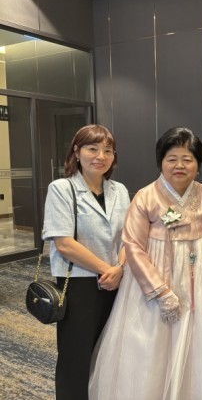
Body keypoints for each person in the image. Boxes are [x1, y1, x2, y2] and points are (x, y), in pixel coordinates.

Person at [89, 127, 202, 399]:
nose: (179, 166)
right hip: (152, 279)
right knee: (152, 344)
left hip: (197, 277)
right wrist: (160, 292)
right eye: (171, 159)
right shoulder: (146, 196)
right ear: (161, 162)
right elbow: (133, 246)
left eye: (187, 159)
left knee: (199, 342)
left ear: (198, 164)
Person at [42, 124, 130, 400]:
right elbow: (64, 243)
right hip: (79, 284)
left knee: (110, 352)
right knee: (76, 356)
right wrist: (108, 270)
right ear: (77, 152)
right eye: (93, 149)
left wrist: (120, 269)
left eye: (108, 151)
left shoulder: (119, 190)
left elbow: (129, 237)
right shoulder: (62, 189)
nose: (100, 156)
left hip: (117, 283)